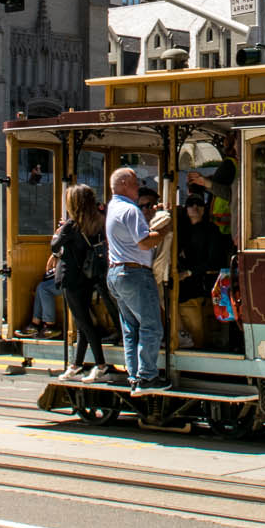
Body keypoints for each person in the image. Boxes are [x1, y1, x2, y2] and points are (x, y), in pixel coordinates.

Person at [104, 167, 172, 390]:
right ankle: (147, 377)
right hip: (134, 274)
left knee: (130, 328)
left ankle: (134, 375)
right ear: (123, 184)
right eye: (135, 183)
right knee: (151, 326)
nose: (138, 187)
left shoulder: (113, 208)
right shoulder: (129, 210)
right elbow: (143, 242)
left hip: (117, 273)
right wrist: (164, 230)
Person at [53, 184, 117, 382]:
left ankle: (100, 365)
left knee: (85, 323)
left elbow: (54, 245)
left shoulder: (71, 225)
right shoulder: (99, 222)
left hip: (71, 278)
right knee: (81, 323)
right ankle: (76, 365)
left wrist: (59, 230)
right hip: (89, 277)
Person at [177, 193, 228, 350]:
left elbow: (214, 261)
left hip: (204, 283)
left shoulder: (211, 230)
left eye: (199, 204)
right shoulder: (181, 231)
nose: (195, 207)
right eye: (191, 204)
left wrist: (189, 272)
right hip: (183, 284)